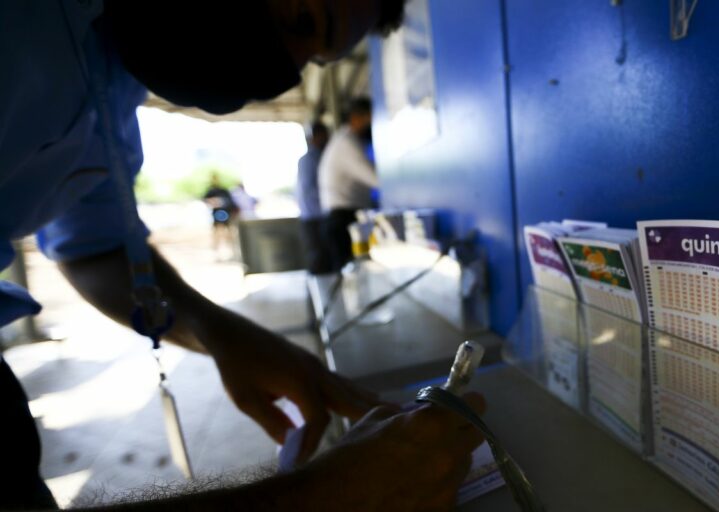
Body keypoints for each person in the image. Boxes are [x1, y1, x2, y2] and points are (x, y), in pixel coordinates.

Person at [0, 1, 485, 510]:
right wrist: (328, 496)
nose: (284, 74)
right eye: (303, 23)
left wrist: (222, 332)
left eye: (313, 60)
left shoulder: (111, 79)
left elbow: (94, 247)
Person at [319, 98, 379, 272]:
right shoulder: (347, 143)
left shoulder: (347, 140)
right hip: (343, 220)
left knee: (352, 275)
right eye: (369, 119)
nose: (370, 125)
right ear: (356, 117)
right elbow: (374, 178)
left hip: (343, 217)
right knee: (352, 276)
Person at [296, 122, 332, 274]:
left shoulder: (315, 157)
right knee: (319, 261)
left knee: (320, 260)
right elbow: (310, 190)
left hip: (314, 218)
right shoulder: (311, 158)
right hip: (315, 219)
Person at [202, 174, 239, 259]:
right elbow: (205, 200)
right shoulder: (210, 191)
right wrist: (213, 202)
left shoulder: (224, 190)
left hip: (226, 215)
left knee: (229, 234)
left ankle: (232, 253)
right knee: (217, 234)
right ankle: (217, 254)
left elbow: (231, 202)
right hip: (216, 215)